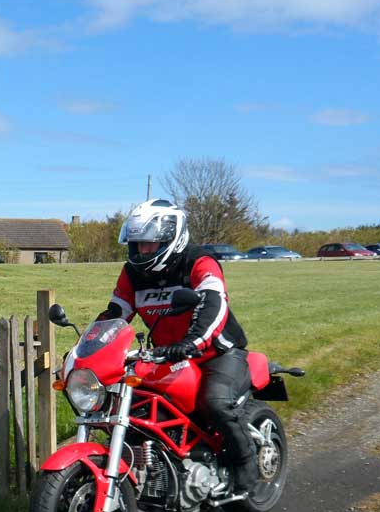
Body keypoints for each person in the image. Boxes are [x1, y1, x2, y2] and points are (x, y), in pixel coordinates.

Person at [96, 199, 261, 495]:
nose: (142, 251)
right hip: (166, 356)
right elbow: (116, 314)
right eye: (137, 245)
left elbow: (213, 304)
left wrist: (192, 343)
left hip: (217, 353)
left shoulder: (199, 262)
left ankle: (246, 466)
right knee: (136, 405)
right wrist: (91, 347)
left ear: (172, 238)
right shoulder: (132, 273)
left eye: (150, 244)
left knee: (215, 402)